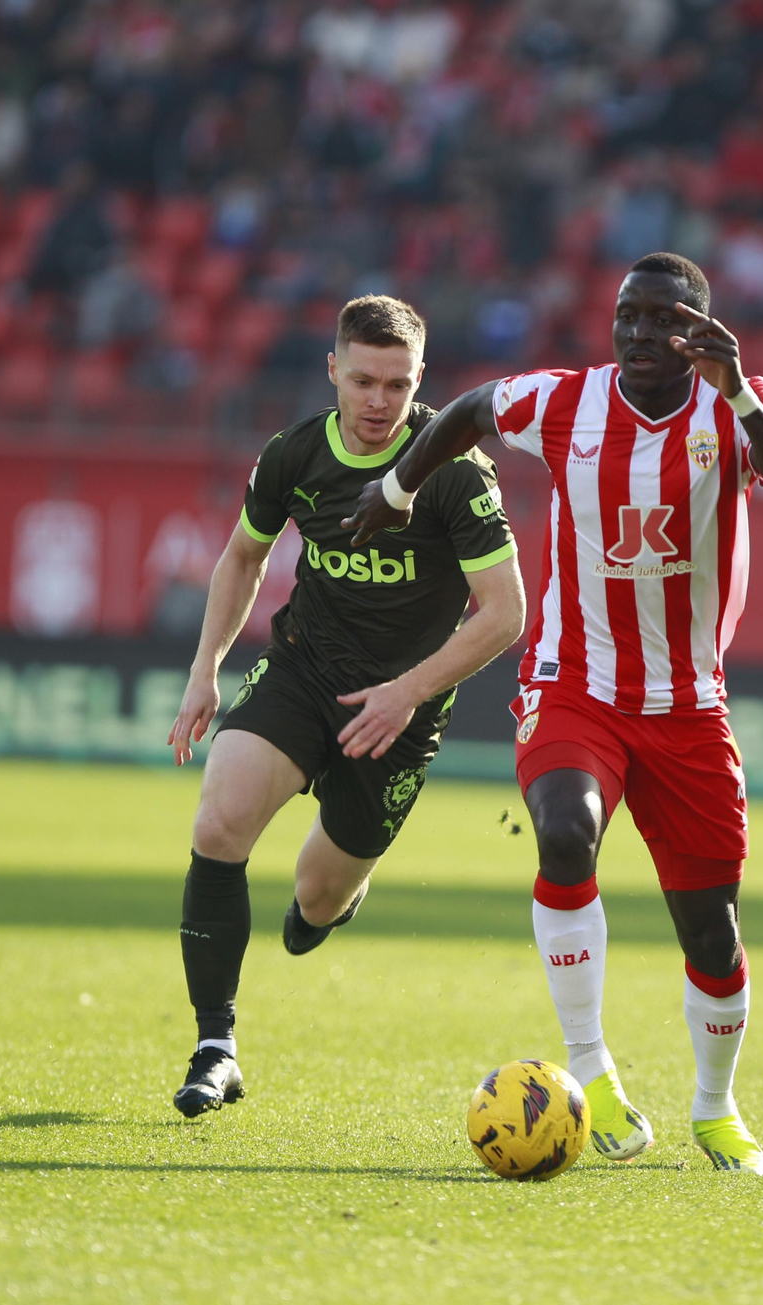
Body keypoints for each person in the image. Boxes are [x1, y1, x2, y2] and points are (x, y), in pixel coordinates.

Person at [345, 252, 763, 1175]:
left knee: (712, 934)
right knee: (564, 833)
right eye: (628, 316)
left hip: (688, 708)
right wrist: (400, 489)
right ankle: (589, 1069)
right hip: (576, 685)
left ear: (699, 331)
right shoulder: (568, 402)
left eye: (664, 320)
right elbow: (473, 410)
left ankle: (716, 1107)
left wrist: (740, 395)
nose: (642, 334)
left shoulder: (738, 404)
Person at [165, 294, 525, 1117]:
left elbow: (506, 613)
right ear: (333, 369)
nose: (377, 402)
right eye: (362, 380)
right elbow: (242, 558)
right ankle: (215, 1045)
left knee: (316, 898)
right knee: (219, 823)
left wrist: (408, 691)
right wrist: (204, 669)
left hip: (401, 711)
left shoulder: (454, 469)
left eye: (397, 385)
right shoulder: (294, 453)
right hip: (303, 670)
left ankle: (335, 896)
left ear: (420, 382)